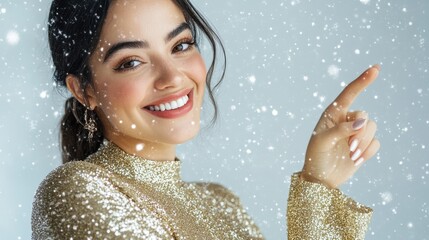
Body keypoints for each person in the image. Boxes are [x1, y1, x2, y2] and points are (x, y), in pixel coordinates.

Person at [31, 0, 380, 239]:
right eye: (131, 62)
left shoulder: (222, 204)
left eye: (180, 45)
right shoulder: (74, 190)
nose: (172, 77)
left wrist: (317, 187)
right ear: (83, 90)